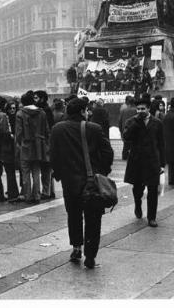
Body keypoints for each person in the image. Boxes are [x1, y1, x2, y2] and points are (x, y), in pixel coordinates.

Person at [51, 98, 114, 269]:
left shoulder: (57, 129)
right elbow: (108, 152)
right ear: (82, 112)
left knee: (74, 216)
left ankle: (76, 247)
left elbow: (53, 155)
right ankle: (91, 256)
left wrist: (59, 174)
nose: (88, 113)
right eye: (86, 110)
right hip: (91, 182)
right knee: (93, 219)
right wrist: (102, 171)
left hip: (69, 183)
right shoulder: (94, 128)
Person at [123, 95, 165, 227]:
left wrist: (162, 163)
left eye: (143, 109)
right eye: (138, 109)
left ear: (148, 109)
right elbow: (126, 137)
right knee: (137, 188)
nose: (140, 111)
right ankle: (138, 204)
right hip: (137, 161)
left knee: (153, 190)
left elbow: (161, 144)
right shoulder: (131, 121)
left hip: (152, 161)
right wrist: (136, 123)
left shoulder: (157, 123)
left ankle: (152, 217)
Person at [15, 91, 49, 204]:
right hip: (39, 145)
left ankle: (28, 196)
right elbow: (46, 130)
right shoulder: (42, 113)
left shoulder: (20, 114)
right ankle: (37, 195)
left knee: (25, 172)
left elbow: (18, 133)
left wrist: (19, 143)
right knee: (36, 171)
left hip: (26, 145)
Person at [34, 90, 55, 199]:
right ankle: (50, 190)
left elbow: (49, 128)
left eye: (36, 98)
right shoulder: (46, 109)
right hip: (45, 141)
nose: (35, 100)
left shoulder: (44, 111)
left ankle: (47, 191)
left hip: (45, 142)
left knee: (46, 168)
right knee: (47, 168)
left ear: (42, 98)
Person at [4, 101, 20, 201]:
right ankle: (13, 191)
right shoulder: (7, 119)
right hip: (11, 146)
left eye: (14, 108)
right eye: (11, 108)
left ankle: (14, 191)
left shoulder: (16, 118)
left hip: (15, 145)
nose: (12, 110)